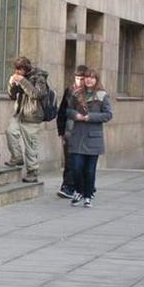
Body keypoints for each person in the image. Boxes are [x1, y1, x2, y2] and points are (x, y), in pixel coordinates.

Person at [66, 68, 112, 208]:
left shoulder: (102, 95)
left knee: (90, 170)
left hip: (93, 138)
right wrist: (76, 115)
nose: (89, 80)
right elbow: (68, 110)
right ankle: (79, 191)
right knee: (76, 168)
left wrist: (90, 117)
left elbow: (108, 114)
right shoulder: (76, 94)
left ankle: (88, 195)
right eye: (86, 77)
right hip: (78, 136)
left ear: (96, 79)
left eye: (92, 78)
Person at [5, 56, 48, 183]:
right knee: (10, 132)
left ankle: (32, 172)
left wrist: (23, 81)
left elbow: (37, 94)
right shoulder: (19, 77)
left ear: (26, 69)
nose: (17, 72)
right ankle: (17, 157)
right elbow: (12, 96)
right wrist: (11, 84)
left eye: (20, 70)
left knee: (31, 145)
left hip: (33, 115)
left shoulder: (39, 77)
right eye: (16, 70)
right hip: (19, 113)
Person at [56, 65, 87, 199]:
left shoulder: (92, 93)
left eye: (82, 78)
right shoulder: (69, 90)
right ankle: (67, 186)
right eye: (77, 78)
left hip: (84, 131)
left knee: (82, 161)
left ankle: (82, 186)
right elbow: (62, 111)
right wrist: (61, 132)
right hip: (70, 130)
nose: (79, 81)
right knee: (70, 160)